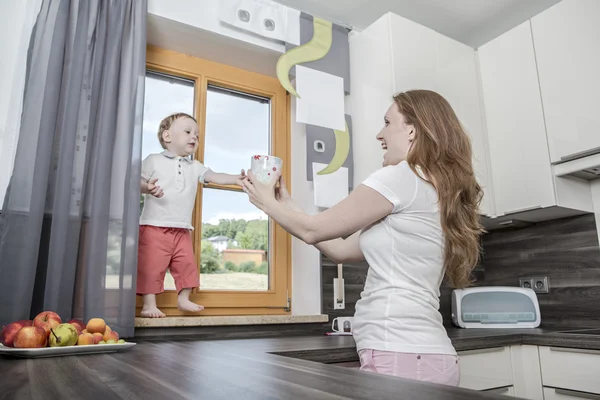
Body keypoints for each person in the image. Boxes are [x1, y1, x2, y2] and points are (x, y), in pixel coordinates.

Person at [241, 90, 484, 386]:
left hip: (401, 353)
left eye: (387, 122)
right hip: (421, 354)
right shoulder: (428, 186)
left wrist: (265, 201)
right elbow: (341, 250)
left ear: (412, 130)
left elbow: (312, 230)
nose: (379, 134)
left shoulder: (400, 177)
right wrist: (286, 204)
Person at [138, 112, 245, 318]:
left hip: (183, 228)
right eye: (188, 132)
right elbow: (137, 182)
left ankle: (184, 299)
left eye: (196, 134)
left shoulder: (194, 166)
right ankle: (149, 305)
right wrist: (147, 187)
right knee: (151, 267)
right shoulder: (153, 160)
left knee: (186, 265)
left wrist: (235, 178)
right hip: (154, 226)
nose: (194, 137)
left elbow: (214, 176)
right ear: (167, 136)